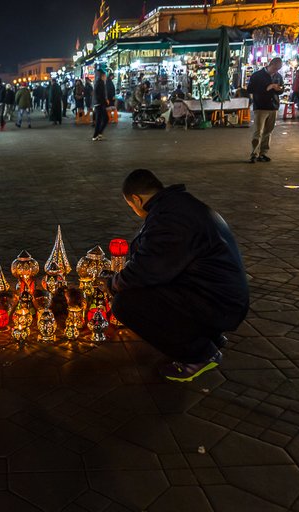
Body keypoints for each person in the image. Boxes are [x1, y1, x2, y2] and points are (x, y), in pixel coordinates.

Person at [111, 169, 249, 382]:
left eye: (131, 206)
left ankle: (199, 355)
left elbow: (146, 271)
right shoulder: (178, 205)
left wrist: (114, 283)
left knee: (127, 303)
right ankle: (207, 336)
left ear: (137, 199)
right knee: (148, 289)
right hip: (221, 294)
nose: (134, 210)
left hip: (219, 303)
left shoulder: (171, 219)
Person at [246, 57, 284, 163]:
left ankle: (263, 153)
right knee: (258, 131)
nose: (276, 71)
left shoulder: (278, 76)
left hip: (273, 107)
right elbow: (250, 89)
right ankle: (254, 153)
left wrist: (279, 89)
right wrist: (267, 87)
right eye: (275, 68)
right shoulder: (257, 75)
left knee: (268, 132)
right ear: (270, 65)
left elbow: (281, 89)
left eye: (278, 69)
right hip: (261, 107)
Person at [92, 69, 108, 141]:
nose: (106, 77)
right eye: (105, 76)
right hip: (100, 104)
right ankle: (97, 135)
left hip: (98, 103)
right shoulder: (100, 83)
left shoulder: (97, 82)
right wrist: (105, 102)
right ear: (102, 76)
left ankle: (98, 134)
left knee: (100, 119)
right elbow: (101, 95)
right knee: (103, 119)